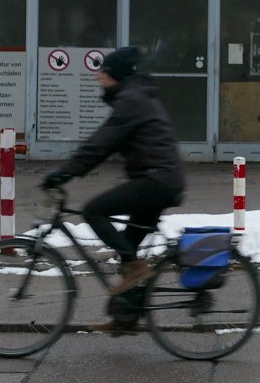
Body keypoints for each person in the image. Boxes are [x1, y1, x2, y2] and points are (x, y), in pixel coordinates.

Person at [41, 46, 185, 333]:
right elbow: (105, 145)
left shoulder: (131, 101)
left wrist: (66, 172)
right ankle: (125, 316)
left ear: (117, 75)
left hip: (156, 181)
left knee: (94, 211)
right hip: (160, 179)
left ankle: (135, 270)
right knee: (125, 248)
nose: (98, 76)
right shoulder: (135, 97)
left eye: (103, 72)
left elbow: (101, 143)